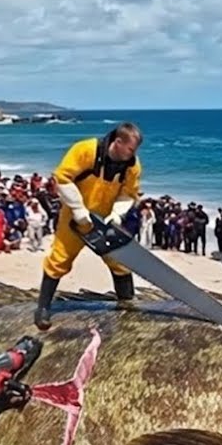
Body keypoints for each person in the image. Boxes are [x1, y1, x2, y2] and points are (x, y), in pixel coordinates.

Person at [34, 123, 143, 330]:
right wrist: (78, 209)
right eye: (130, 148)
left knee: (120, 262)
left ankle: (127, 304)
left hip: (106, 219)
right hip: (76, 218)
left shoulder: (132, 165)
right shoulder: (86, 150)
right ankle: (43, 308)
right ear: (118, 142)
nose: (133, 154)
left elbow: (129, 193)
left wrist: (118, 214)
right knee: (60, 260)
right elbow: (63, 178)